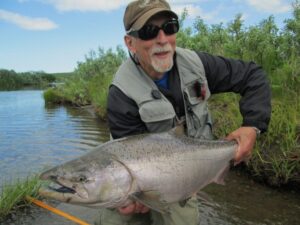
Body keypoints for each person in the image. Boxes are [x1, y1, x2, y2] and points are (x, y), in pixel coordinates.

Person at [95, 0, 271, 224]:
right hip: (136, 175)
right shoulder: (121, 93)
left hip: (190, 172)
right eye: (149, 31)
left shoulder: (198, 65)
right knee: (123, 211)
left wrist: (252, 126)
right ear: (130, 43)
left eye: (169, 27)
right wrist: (134, 197)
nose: (162, 39)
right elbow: (130, 155)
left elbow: (252, 76)